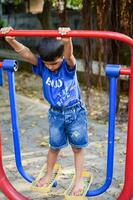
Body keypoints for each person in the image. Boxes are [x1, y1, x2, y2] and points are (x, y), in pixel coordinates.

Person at [0, 27, 88, 196]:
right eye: (48, 64)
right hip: (55, 114)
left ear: (61, 58)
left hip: (75, 112)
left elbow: (69, 56)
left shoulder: (67, 67)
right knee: (54, 147)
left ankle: (78, 181)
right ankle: (48, 175)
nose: (52, 67)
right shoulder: (43, 66)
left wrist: (67, 39)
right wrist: (11, 40)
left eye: (54, 63)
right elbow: (26, 54)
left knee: (77, 148)